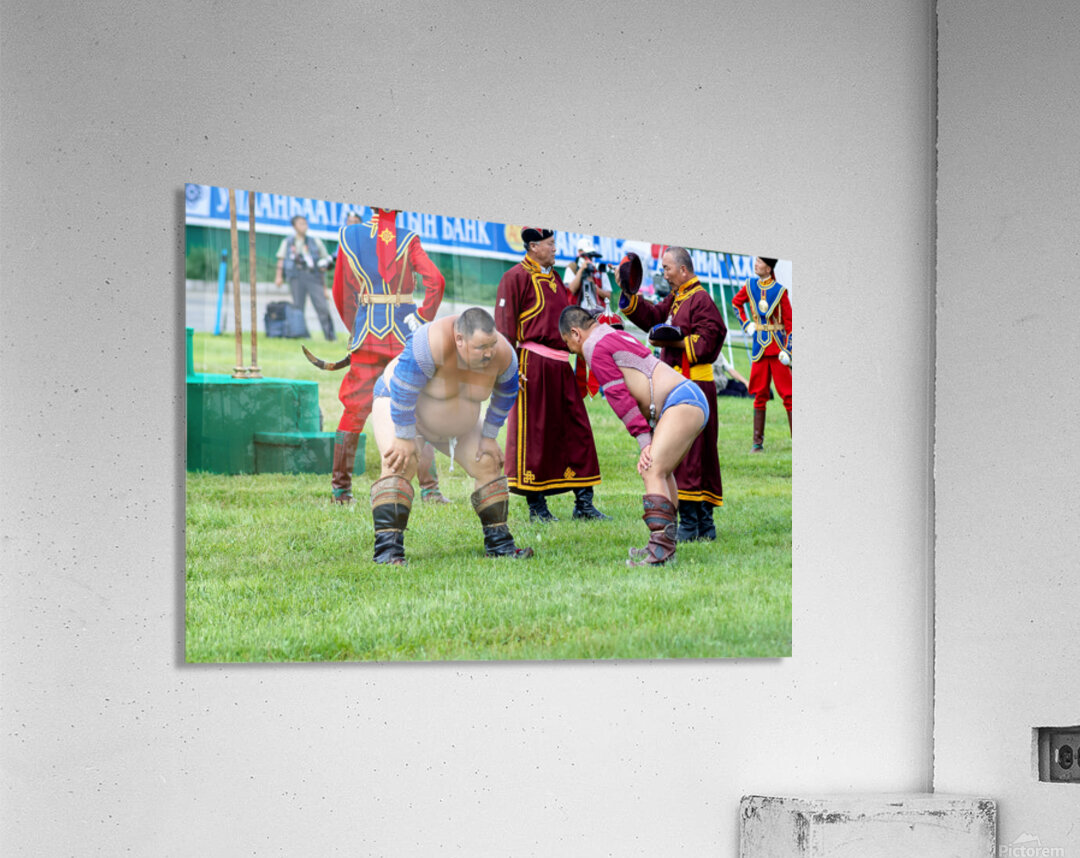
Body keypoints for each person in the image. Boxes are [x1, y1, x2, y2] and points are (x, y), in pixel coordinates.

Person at [368, 308, 533, 564]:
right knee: (400, 462)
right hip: (401, 407)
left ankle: (500, 545)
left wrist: (489, 436)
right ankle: (388, 552)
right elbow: (403, 386)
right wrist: (403, 435)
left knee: (488, 462)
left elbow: (507, 392)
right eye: (480, 347)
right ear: (459, 340)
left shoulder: (503, 355)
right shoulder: (429, 343)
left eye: (491, 344)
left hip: (456, 424)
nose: (488, 353)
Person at [560, 305, 709, 566]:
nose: (572, 350)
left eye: (568, 343)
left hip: (681, 401)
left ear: (575, 333)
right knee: (663, 471)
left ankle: (660, 552)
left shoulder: (593, 345)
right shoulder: (610, 333)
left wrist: (644, 441)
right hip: (687, 398)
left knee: (651, 468)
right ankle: (663, 545)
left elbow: (619, 396)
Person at [324, 207, 449, 506]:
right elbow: (436, 282)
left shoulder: (349, 235)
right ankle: (430, 490)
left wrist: (358, 327)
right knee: (418, 405)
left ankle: (341, 492)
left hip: (367, 332)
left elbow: (341, 293)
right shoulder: (407, 239)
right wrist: (421, 319)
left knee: (353, 410)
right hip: (404, 334)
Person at [494, 227, 608, 522]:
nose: (556, 249)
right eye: (551, 244)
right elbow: (504, 329)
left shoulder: (555, 278)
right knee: (536, 436)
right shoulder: (515, 277)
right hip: (532, 366)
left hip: (562, 366)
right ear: (533, 246)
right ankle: (538, 508)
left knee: (577, 430)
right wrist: (508, 369)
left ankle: (584, 505)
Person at [618, 246, 726, 541]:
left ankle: (695, 523)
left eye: (667, 268)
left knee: (694, 455)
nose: (663, 273)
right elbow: (653, 315)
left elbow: (713, 336)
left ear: (683, 269)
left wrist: (676, 342)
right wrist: (630, 298)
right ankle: (701, 525)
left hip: (695, 384)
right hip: (677, 386)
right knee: (687, 453)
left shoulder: (701, 299)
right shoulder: (678, 298)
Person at [731, 256, 792, 451]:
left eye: (759, 261)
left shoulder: (780, 292)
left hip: (777, 350)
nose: (755, 264)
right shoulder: (750, 285)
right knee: (759, 394)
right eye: (755, 260)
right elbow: (736, 304)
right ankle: (757, 443)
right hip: (759, 348)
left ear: (768, 268)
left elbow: (790, 325)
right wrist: (746, 323)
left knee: (789, 396)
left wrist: (788, 350)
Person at [274, 215, 335, 341]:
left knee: (322, 306)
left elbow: (324, 259)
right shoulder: (288, 242)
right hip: (296, 277)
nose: (304, 226)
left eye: (305, 223)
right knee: (298, 307)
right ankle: (301, 334)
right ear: (294, 226)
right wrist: (278, 277)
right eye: (301, 224)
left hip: (313, 276)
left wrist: (324, 277)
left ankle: (330, 336)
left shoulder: (314, 241)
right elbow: (281, 260)